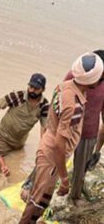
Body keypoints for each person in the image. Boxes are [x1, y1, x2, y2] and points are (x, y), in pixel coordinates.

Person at [19, 52, 104, 223]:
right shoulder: (74, 106)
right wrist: (64, 179)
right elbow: (59, 143)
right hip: (52, 154)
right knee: (37, 199)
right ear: (94, 80)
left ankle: (33, 220)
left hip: (48, 146)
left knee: (43, 197)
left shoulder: (64, 86)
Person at [66, 49, 104, 205]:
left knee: (80, 169)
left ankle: (75, 195)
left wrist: (97, 150)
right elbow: (61, 97)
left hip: (89, 132)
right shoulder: (75, 74)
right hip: (68, 128)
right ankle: (31, 183)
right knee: (53, 159)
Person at [0, 73, 49, 156]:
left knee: (17, 163)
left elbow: (44, 127)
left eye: (36, 88)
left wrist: (43, 146)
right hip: (2, 139)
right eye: (31, 87)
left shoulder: (44, 105)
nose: (32, 90)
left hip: (20, 143)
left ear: (43, 89)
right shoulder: (18, 96)